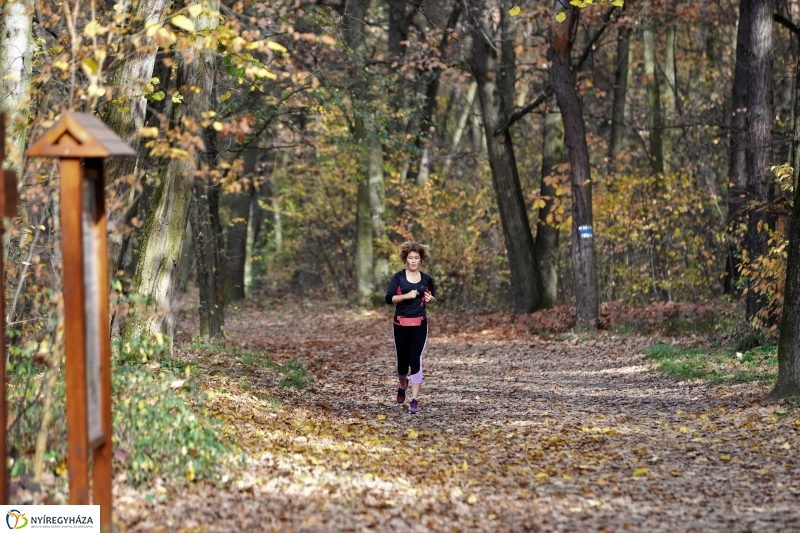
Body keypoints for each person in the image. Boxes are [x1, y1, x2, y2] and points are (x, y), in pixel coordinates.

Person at [384, 241, 436, 414]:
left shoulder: (427, 279)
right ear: (405, 259)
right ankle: (402, 384)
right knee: (402, 364)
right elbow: (389, 299)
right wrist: (406, 295)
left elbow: (431, 297)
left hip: (419, 323)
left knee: (415, 360)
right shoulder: (398, 278)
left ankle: (414, 400)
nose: (413, 261)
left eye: (416, 258)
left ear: (421, 260)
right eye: (410, 258)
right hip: (400, 324)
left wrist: (431, 300)